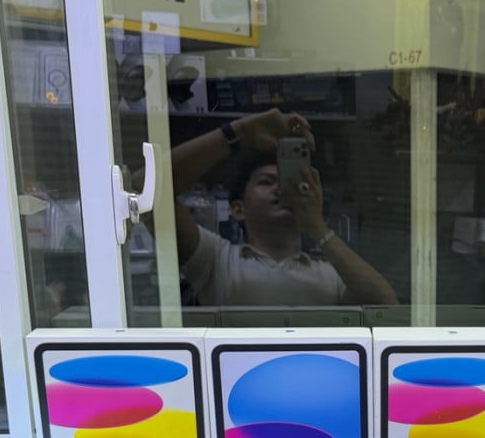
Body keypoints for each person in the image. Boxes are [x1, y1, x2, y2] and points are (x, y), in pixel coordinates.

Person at [163, 108, 397, 307]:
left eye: (290, 182)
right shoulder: (216, 259)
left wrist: (317, 226)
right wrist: (239, 133)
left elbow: (385, 307)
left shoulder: (331, 273)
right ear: (239, 209)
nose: (281, 189)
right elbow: (151, 189)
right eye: (266, 182)